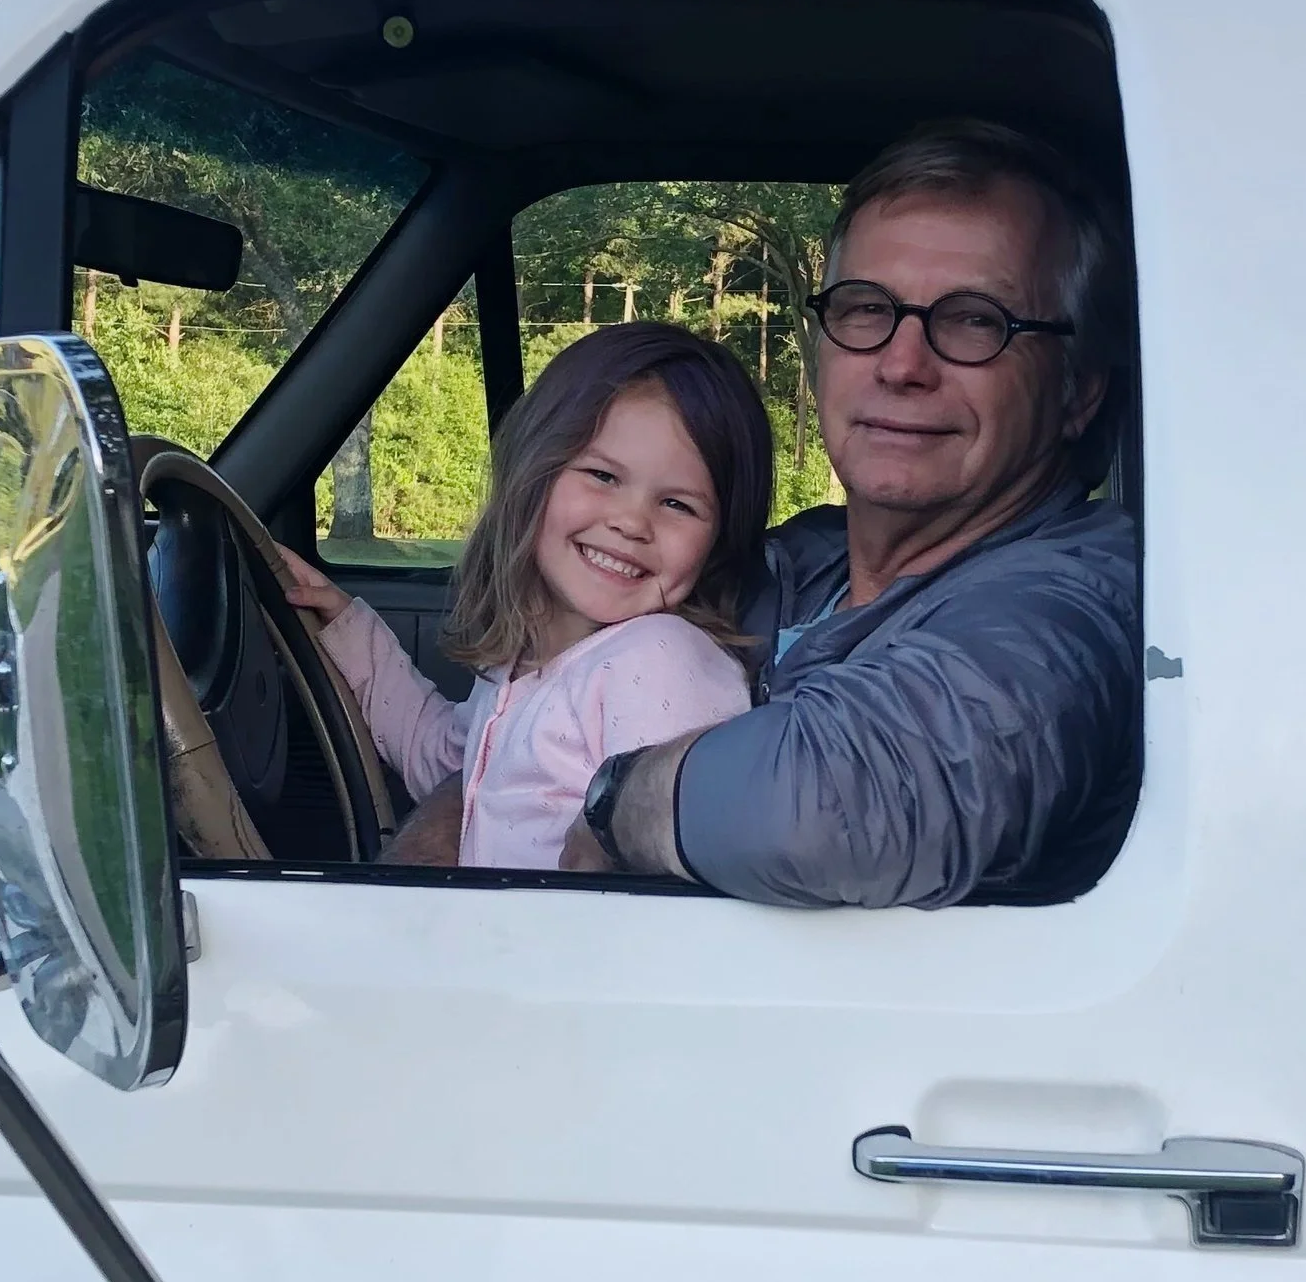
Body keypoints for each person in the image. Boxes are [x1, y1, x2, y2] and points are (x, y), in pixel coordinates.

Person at [567, 122, 1142, 905]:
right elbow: (546, 699)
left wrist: (607, 802)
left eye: (976, 320)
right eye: (868, 307)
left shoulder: (1075, 608)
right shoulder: (793, 559)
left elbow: (827, 812)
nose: (903, 364)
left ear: (1078, 391)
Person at [276, 323, 769, 872]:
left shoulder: (659, 659)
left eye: (678, 504)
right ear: (534, 474)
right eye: (602, 475)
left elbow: (676, 870)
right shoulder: (522, 667)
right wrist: (345, 624)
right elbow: (449, 764)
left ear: (717, 544)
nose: (631, 522)